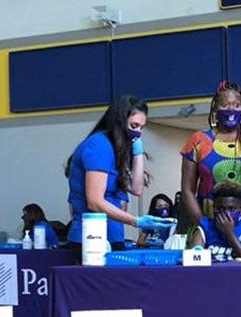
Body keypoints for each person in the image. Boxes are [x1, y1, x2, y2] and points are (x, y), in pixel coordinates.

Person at [65, 95, 174, 258]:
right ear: (119, 122)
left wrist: (137, 152)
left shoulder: (117, 149)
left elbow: (137, 188)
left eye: (142, 127)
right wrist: (136, 221)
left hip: (113, 235)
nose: (137, 132)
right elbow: (94, 201)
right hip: (90, 239)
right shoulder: (99, 146)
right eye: (134, 125)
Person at [180, 80, 241, 225]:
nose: (231, 109)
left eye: (237, 105)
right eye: (225, 105)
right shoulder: (198, 140)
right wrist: (203, 226)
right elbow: (187, 190)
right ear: (215, 109)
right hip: (208, 224)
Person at [190, 181, 241, 261]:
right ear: (213, 208)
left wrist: (230, 234)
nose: (226, 213)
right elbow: (195, 261)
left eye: (231, 209)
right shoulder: (205, 227)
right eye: (220, 208)